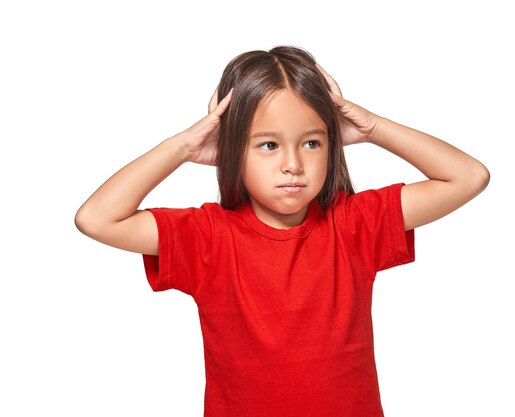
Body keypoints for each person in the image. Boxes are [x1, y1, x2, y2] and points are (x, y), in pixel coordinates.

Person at [75, 45, 489, 416]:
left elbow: (467, 177)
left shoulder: (353, 224)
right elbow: (97, 218)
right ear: (233, 149)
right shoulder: (209, 236)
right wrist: (183, 147)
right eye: (268, 145)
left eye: (312, 143)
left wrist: (371, 127)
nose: (293, 163)